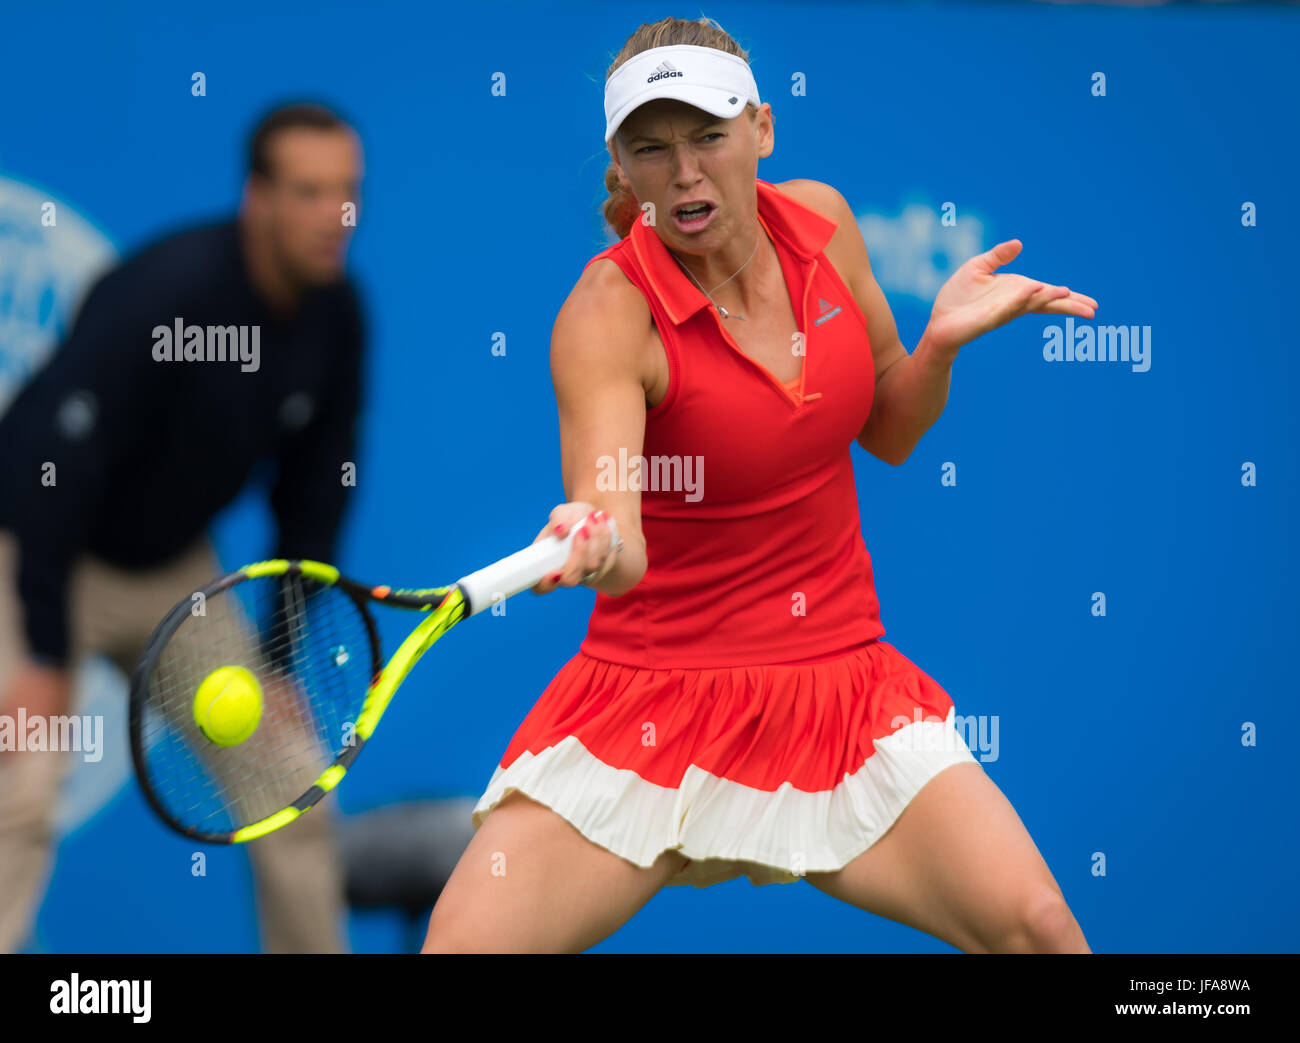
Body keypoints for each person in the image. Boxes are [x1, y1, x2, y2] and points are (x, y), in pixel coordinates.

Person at [422, 16, 1098, 954]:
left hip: (842, 689)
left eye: (708, 134)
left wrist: (937, 345)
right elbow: (619, 542)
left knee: (1039, 929)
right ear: (620, 169)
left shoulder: (822, 222)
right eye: (651, 150)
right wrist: (590, 533)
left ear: (761, 129)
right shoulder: (607, 314)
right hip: (653, 709)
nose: (686, 171)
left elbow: (891, 429)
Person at [0, 101, 366, 954]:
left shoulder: (337, 317)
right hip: (33, 546)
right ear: (258, 198)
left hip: (171, 573)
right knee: (20, 778)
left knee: (293, 781)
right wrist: (46, 658)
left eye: (348, 194)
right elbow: (51, 473)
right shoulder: (166, 293)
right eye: (310, 193)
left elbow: (314, 497)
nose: (334, 219)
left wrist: (276, 660)